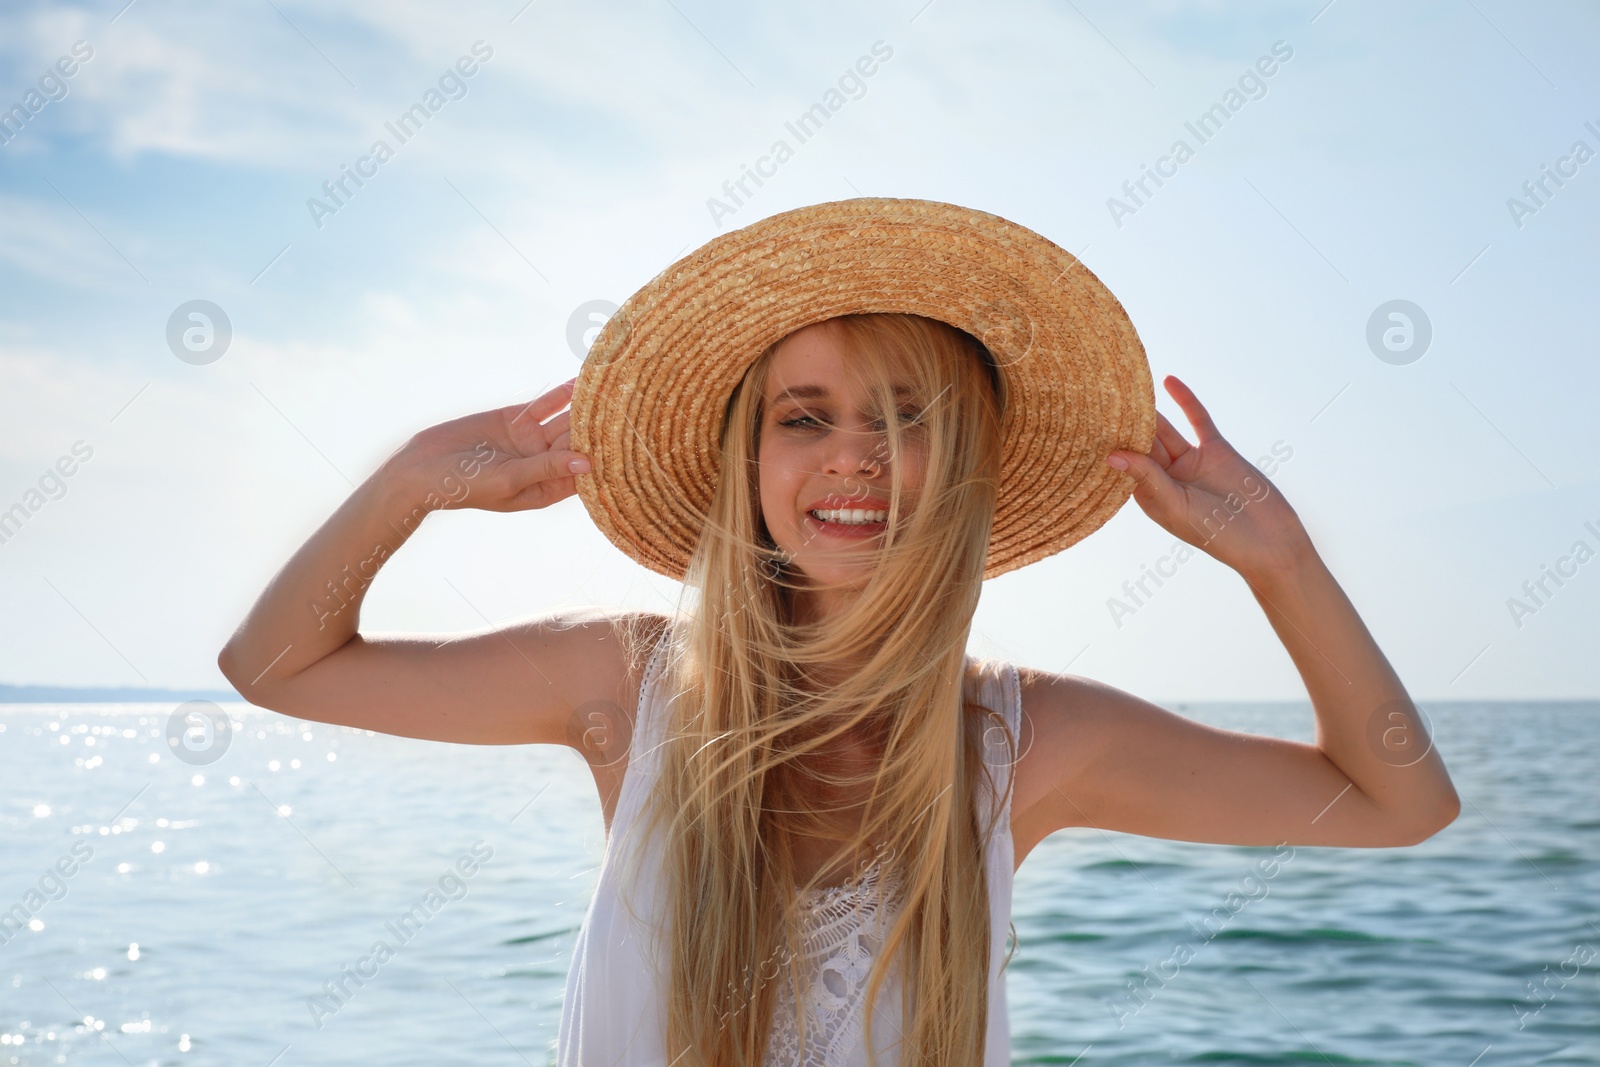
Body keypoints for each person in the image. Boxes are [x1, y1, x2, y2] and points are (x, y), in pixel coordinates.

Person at [218, 198, 1461, 1067]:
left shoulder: (1025, 742)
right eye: (803, 416)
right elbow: (274, 667)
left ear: (961, 458)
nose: (854, 457)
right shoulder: (626, 681)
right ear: (749, 461)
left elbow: (1396, 801)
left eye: (905, 414)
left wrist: (1281, 563)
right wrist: (405, 485)